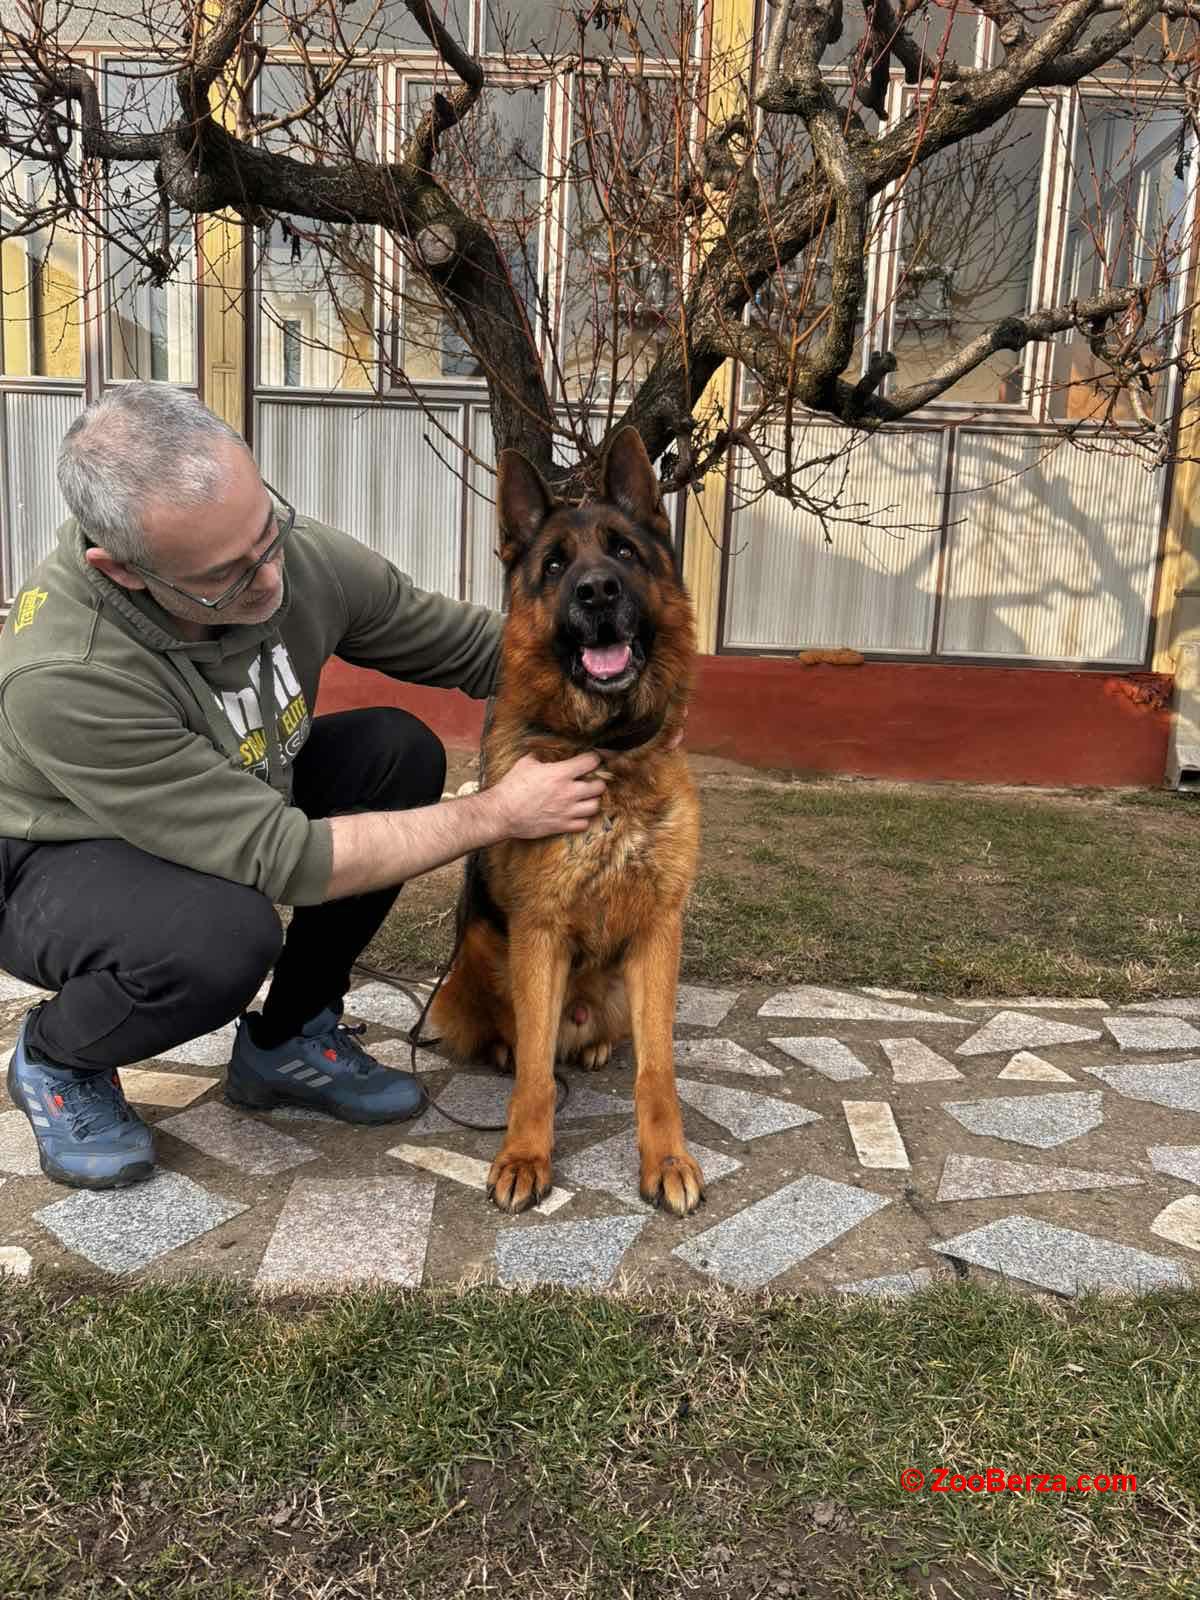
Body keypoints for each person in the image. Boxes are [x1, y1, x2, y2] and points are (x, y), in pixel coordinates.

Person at [0, 383, 607, 1191]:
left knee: (397, 752)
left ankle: (287, 1038)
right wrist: (496, 812)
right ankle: (58, 1056)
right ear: (124, 571)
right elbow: (287, 859)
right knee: (220, 936)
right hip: (51, 854)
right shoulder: (67, 674)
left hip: (225, 785)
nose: (269, 576)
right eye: (226, 574)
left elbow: (477, 648)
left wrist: (627, 684)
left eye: (267, 532)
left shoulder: (280, 556)